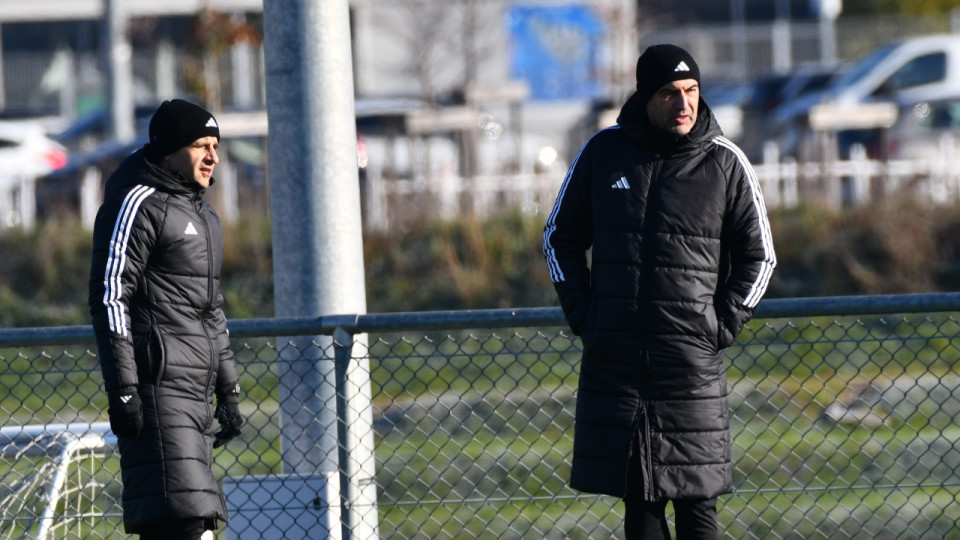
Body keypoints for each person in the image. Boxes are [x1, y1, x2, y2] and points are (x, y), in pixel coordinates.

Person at [542, 44, 776, 539]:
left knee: (698, 510)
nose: (684, 103)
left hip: (689, 369)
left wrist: (719, 325)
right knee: (641, 511)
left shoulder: (725, 163)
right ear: (645, 97)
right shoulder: (603, 154)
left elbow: (760, 257)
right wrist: (586, 316)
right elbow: (558, 237)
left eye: (691, 91)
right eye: (670, 93)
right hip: (619, 368)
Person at [88, 99, 245, 540]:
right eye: (200, 145)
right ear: (168, 149)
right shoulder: (138, 202)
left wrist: (228, 390)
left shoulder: (204, 216)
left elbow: (210, 309)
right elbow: (109, 296)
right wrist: (124, 390)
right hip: (156, 394)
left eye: (216, 145)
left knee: (194, 520)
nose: (213, 156)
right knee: (184, 521)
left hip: (193, 396)